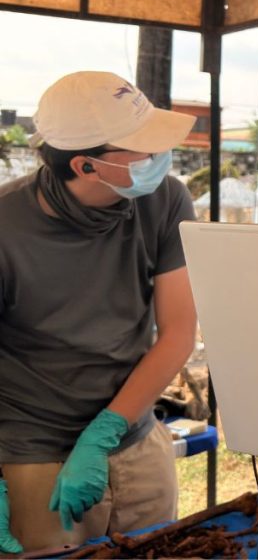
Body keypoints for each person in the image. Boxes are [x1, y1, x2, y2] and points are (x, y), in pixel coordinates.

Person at [0, 71, 198, 553]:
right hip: (32, 446)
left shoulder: (165, 200)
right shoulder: (6, 226)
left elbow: (178, 330)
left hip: (132, 430)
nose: (161, 156)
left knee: (162, 547)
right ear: (87, 166)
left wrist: (107, 431)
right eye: (143, 148)